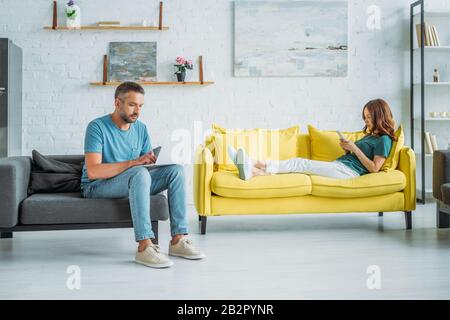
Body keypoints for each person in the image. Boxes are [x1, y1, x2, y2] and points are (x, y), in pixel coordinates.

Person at [81, 81, 205, 269]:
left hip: (133, 181)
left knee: (176, 171)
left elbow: (143, 168)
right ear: (117, 103)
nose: (137, 111)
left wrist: (148, 161)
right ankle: (144, 246)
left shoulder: (141, 128)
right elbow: (93, 171)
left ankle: (178, 240)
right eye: (132, 105)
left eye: (140, 106)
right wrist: (133, 163)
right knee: (138, 172)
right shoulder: (97, 127)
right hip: (98, 185)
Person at [228, 99, 398, 181]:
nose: (366, 120)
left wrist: (355, 149)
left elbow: (375, 168)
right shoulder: (371, 136)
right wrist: (348, 149)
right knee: (297, 169)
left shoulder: (383, 140)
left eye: (369, 117)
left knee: (299, 163)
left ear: (379, 116)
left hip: (348, 173)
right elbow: (358, 156)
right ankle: (252, 171)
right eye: (365, 117)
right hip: (340, 166)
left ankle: (251, 162)